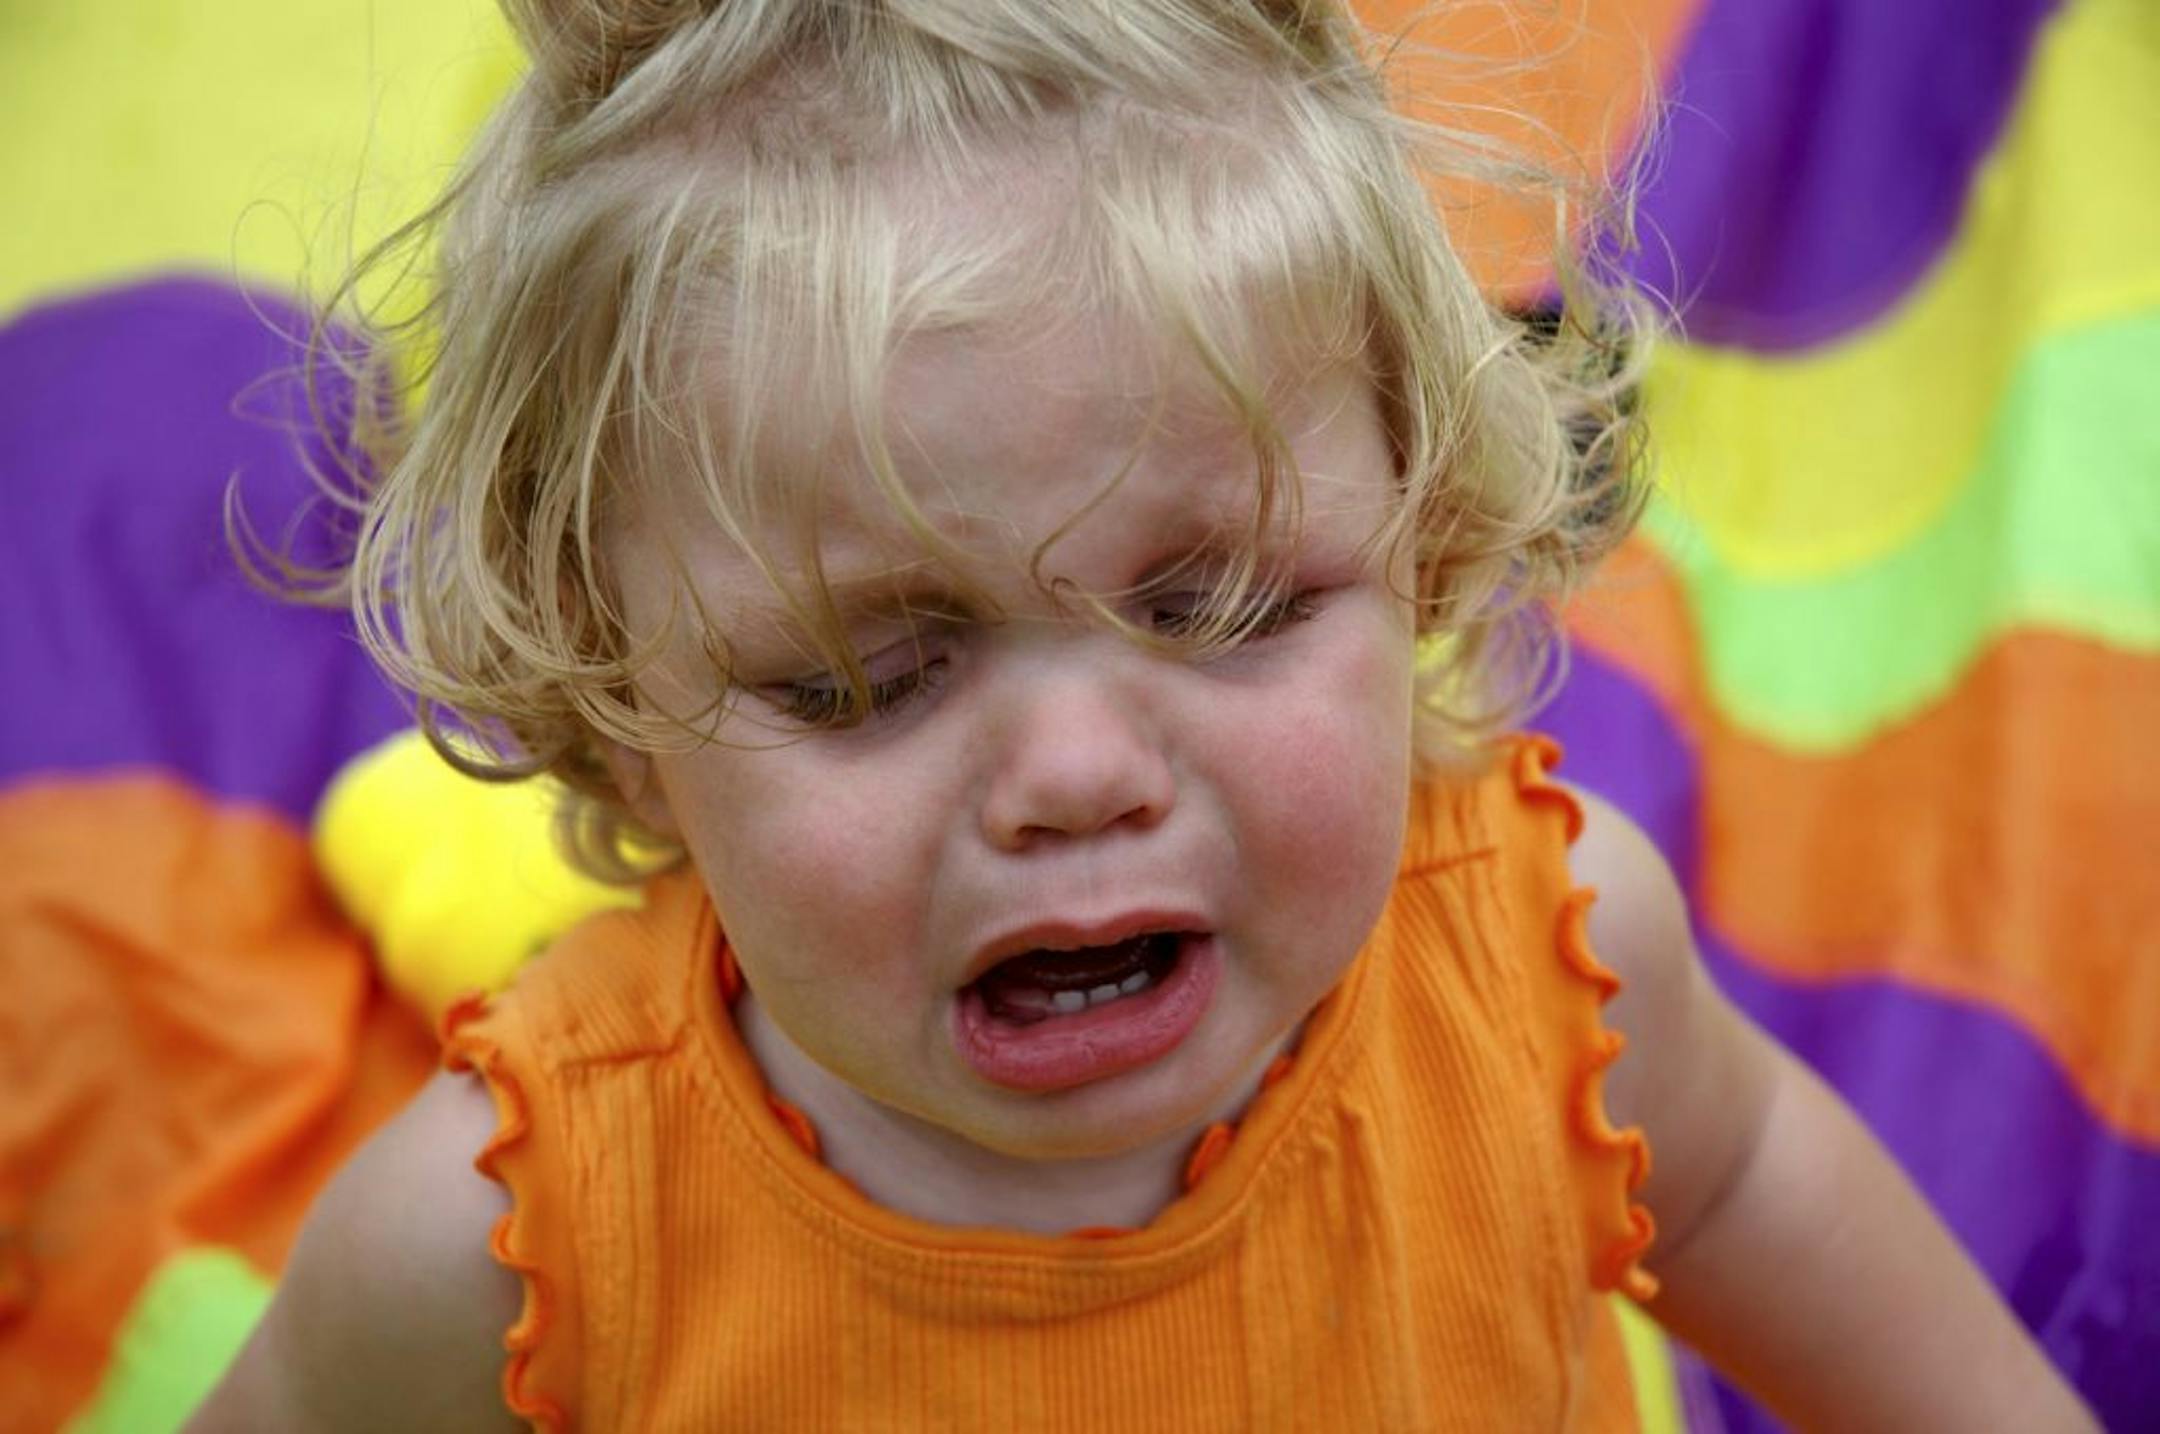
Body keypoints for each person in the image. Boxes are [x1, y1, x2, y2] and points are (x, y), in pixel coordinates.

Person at [191, 1, 2095, 1428]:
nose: (1080, 774)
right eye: (868, 675)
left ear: (1428, 549)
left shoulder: (1553, 961)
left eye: (1228, 605)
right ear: (617, 726)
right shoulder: (505, 1240)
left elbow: (1753, 1175)